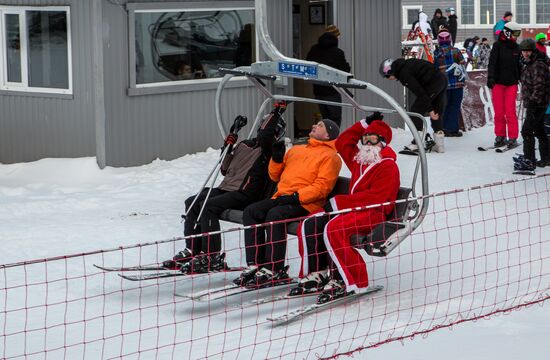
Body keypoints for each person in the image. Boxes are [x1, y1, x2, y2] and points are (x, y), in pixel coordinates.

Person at [163, 104, 287, 272]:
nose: (264, 129)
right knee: (192, 202)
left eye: (270, 127)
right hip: (227, 187)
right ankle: (193, 248)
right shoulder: (245, 145)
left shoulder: (270, 150)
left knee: (208, 207)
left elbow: (266, 135)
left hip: (245, 193)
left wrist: (276, 112)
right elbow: (224, 169)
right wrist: (231, 138)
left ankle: (211, 255)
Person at [291, 117, 400, 303]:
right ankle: (316, 273)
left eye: (372, 139)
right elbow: (342, 142)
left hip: (373, 213)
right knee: (310, 222)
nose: (366, 142)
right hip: (353, 210)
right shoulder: (360, 160)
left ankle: (348, 279)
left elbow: (377, 199)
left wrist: (339, 203)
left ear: (382, 141)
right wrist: (364, 124)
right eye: (365, 138)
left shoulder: (388, 166)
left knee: (334, 228)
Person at [234, 119, 342, 288]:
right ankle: (256, 264)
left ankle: (274, 268)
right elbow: (274, 176)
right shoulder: (297, 150)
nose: (314, 125)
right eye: (316, 124)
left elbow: (322, 187)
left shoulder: (331, 157)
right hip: (282, 197)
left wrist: (296, 197)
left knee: (275, 215)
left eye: (320, 125)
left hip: (306, 203)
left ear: (328, 135)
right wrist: (276, 159)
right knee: (251, 211)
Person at [380, 57, 448, 153]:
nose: (388, 79)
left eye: (387, 76)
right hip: (442, 79)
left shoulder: (404, 74)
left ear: (390, 71)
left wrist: (430, 110)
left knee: (415, 111)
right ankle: (440, 145)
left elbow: (419, 91)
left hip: (434, 83)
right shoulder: (406, 64)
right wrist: (431, 109)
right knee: (436, 111)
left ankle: (418, 143)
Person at [306, 25, 351, 126]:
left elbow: (307, 65)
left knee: (325, 119)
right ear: (335, 37)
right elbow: (345, 70)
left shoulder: (314, 49)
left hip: (318, 89)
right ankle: (333, 141)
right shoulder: (338, 53)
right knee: (335, 120)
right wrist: (347, 65)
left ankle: (325, 140)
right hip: (333, 90)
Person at [515, 39, 550, 170]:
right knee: (539, 129)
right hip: (534, 102)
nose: (525, 53)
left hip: (537, 103)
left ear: (533, 50)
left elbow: (539, 85)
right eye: (523, 51)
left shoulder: (538, 65)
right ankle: (546, 158)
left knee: (527, 131)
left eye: (527, 51)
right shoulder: (528, 63)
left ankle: (529, 160)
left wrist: (533, 101)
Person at [487, 21, 522, 149]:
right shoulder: (497, 46)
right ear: (507, 32)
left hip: (511, 84)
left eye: (518, 33)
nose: (517, 36)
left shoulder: (517, 48)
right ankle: (500, 135)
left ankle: (512, 137)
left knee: (510, 111)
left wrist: (522, 78)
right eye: (515, 33)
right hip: (498, 83)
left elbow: (520, 66)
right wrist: (490, 77)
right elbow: (492, 63)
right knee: (499, 112)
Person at [434, 31, 467, 139]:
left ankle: (443, 128)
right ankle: (452, 129)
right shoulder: (456, 51)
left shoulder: (436, 53)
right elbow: (463, 64)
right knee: (454, 106)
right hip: (457, 84)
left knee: (445, 106)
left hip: (444, 86)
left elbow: (434, 69)